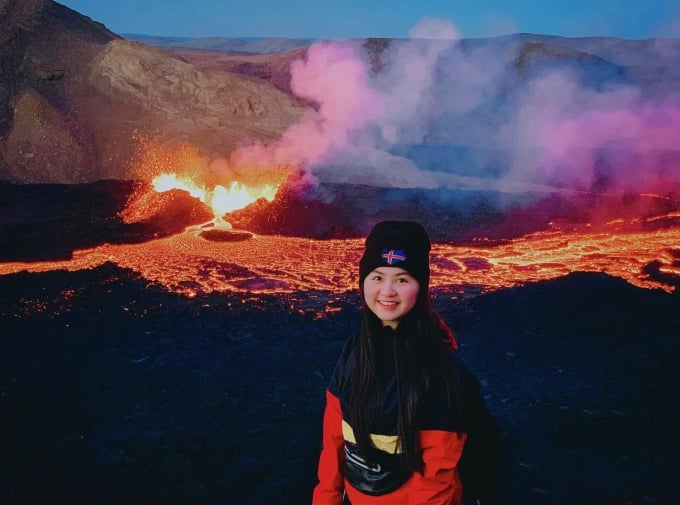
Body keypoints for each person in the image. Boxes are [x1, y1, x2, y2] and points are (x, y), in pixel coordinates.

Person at [312, 220, 500, 505]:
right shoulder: (355, 351)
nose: (387, 291)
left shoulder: (442, 375)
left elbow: (434, 484)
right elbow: (334, 441)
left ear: (421, 287)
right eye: (377, 277)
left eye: (402, 279)